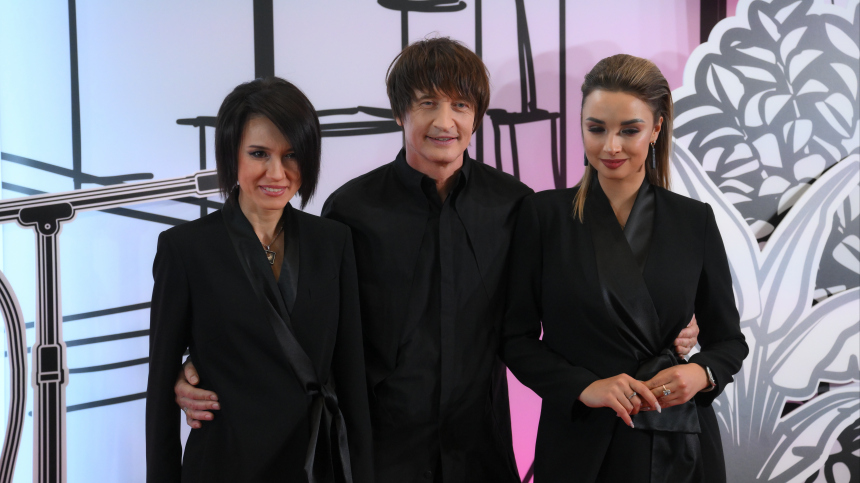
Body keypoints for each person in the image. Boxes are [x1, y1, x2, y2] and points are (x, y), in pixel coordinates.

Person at [173, 40, 701, 482]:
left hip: (483, 449)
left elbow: (568, 301)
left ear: (477, 117)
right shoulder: (351, 210)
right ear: (400, 112)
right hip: (377, 453)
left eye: (460, 105)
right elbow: (305, 321)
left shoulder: (516, 205)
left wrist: (667, 324)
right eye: (426, 103)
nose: (444, 121)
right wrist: (204, 365)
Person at [500, 54, 749, 483]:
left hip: (677, 443)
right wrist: (583, 386)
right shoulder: (543, 216)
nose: (610, 146)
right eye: (596, 128)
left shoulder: (694, 220)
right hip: (579, 440)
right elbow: (514, 339)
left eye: (629, 130)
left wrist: (700, 373)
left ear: (656, 129)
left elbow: (728, 341)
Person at [146, 77, 372, 483]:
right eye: (259, 154)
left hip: (314, 462)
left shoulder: (333, 241)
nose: (277, 172)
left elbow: (352, 380)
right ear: (231, 154)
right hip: (225, 464)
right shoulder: (185, 249)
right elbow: (160, 391)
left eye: (291, 155)